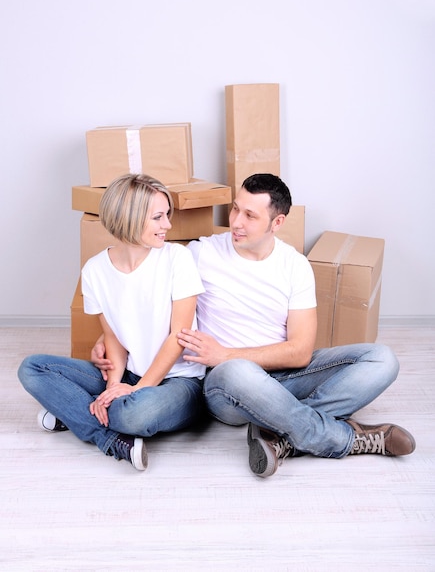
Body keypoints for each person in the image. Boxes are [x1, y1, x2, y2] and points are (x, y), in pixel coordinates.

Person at [93, 173, 416, 478]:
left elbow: (301, 352)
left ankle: (281, 434)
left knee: (382, 359)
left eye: (250, 215)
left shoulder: (295, 266)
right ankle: (336, 438)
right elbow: (144, 295)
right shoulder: (199, 254)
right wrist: (107, 338)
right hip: (226, 386)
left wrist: (225, 353)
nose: (235, 222)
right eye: (235, 209)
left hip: (281, 376)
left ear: (277, 222)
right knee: (238, 370)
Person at [18, 173, 206, 471]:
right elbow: (114, 339)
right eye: (158, 217)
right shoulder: (94, 271)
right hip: (129, 373)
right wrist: (114, 386)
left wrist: (139, 389)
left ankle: (73, 413)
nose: (167, 225)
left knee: (131, 414)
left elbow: (179, 337)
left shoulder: (177, 259)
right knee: (32, 368)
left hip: (180, 381)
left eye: (167, 215)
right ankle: (110, 438)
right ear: (129, 218)